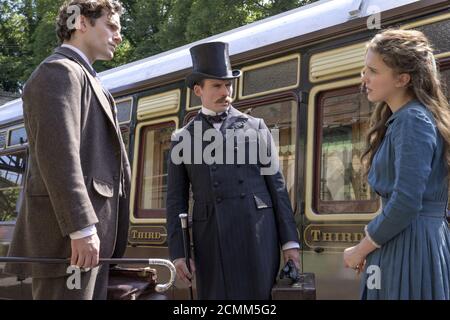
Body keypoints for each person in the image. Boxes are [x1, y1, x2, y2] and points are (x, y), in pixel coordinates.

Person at [5, 0, 131, 300]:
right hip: (68, 246)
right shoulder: (58, 72)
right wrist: (82, 229)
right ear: (82, 24)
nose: (119, 36)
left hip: (81, 246)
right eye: (111, 26)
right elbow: (58, 157)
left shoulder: (84, 77)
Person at [166, 42, 300, 300]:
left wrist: (290, 244)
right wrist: (179, 252)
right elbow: (175, 200)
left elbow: (278, 188)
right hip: (211, 242)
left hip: (257, 235)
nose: (225, 91)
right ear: (198, 90)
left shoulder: (257, 127)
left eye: (228, 85)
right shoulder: (181, 138)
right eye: (217, 85)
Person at [343, 29, 450, 300]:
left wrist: (361, 249)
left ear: (403, 78)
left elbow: (405, 203)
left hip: (409, 246)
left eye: (373, 71)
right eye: (364, 70)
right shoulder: (409, 118)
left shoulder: (411, 120)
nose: (364, 78)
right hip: (411, 243)